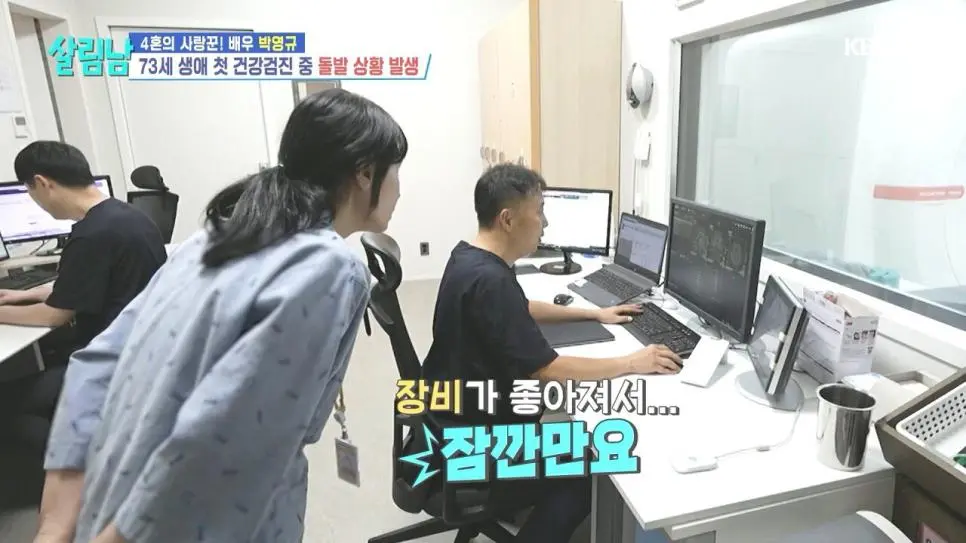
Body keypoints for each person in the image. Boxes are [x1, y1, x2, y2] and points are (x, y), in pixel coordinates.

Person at [33, 88, 408, 543]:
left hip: (113, 488)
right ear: (365, 173)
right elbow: (228, 436)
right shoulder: (330, 267)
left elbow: (98, 361)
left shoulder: (212, 238)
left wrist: (55, 524)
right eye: (397, 171)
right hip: (191, 522)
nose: (400, 188)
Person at [420, 163, 682, 542]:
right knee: (594, 463)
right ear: (508, 219)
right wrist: (631, 362)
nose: (545, 222)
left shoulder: (470, 258)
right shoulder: (492, 280)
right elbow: (547, 370)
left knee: (573, 426)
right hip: (477, 443)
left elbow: (521, 307)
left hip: (453, 419)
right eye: (539, 211)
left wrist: (593, 313)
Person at [0, 140, 167, 453]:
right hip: (142, 350)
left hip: (108, 362)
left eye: (29, 191)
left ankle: (82, 465)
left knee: (8, 407)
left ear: (41, 183)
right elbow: (101, 281)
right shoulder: (125, 216)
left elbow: (54, 315)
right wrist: (29, 294)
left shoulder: (91, 234)